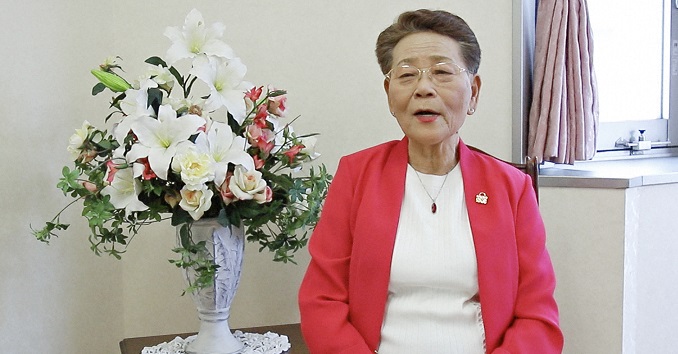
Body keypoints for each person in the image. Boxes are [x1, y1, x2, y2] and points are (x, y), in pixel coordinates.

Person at [298, 9, 563, 354]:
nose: (423, 88)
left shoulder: (511, 188)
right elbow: (322, 300)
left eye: (442, 72)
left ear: (474, 91)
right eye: (406, 75)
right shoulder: (356, 176)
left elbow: (537, 317)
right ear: (389, 92)